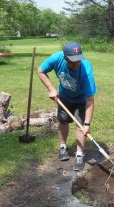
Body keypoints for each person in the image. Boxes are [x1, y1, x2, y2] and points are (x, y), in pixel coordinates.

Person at [38, 42, 97, 171]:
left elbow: (90, 100)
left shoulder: (86, 70)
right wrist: (51, 89)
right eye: (72, 61)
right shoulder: (56, 58)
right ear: (65, 57)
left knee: (81, 126)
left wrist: (87, 124)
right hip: (64, 97)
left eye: (78, 61)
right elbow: (41, 71)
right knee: (63, 121)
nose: (76, 64)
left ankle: (80, 154)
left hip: (82, 99)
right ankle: (63, 147)